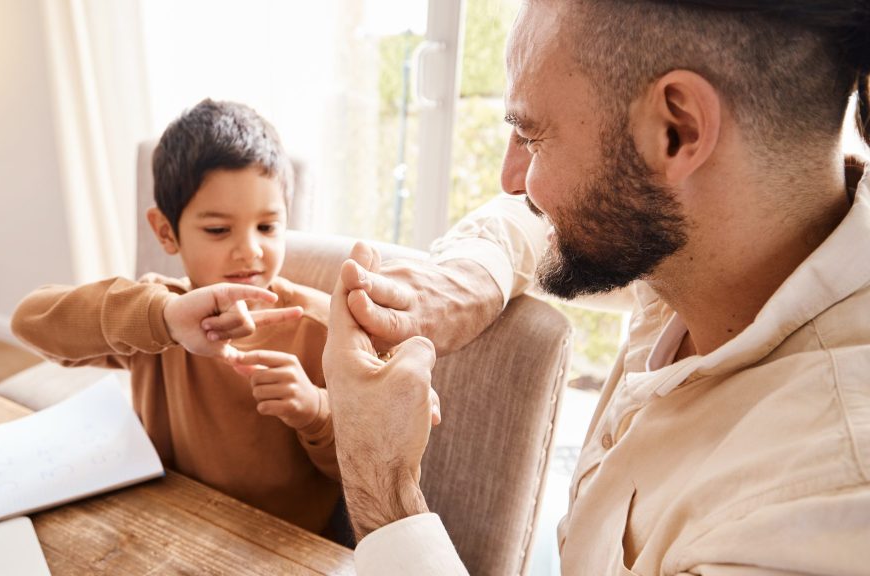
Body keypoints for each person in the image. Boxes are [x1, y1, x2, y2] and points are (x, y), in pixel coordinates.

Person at [324, 0, 870, 573]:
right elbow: (538, 217)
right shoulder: (723, 239)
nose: (512, 180)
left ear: (677, 131)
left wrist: (384, 486)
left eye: (533, 137)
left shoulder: (820, 502)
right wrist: (472, 278)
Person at [12, 99, 345, 539]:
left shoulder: (320, 327)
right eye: (218, 230)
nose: (250, 251)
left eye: (267, 227)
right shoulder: (153, 312)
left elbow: (362, 471)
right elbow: (29, 321)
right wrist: (164, 319)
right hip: (167, 529)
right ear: (166, 232)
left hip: (280, 546)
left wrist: (315, 412)